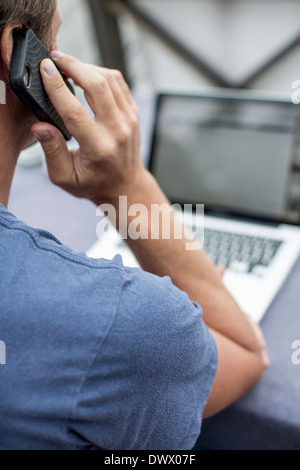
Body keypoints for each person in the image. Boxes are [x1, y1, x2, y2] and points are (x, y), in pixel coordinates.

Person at [0, 0, 269, 450]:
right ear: (16, 54)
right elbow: (246, 352)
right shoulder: (124, 325)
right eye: (56, 45)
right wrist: (124, 184)